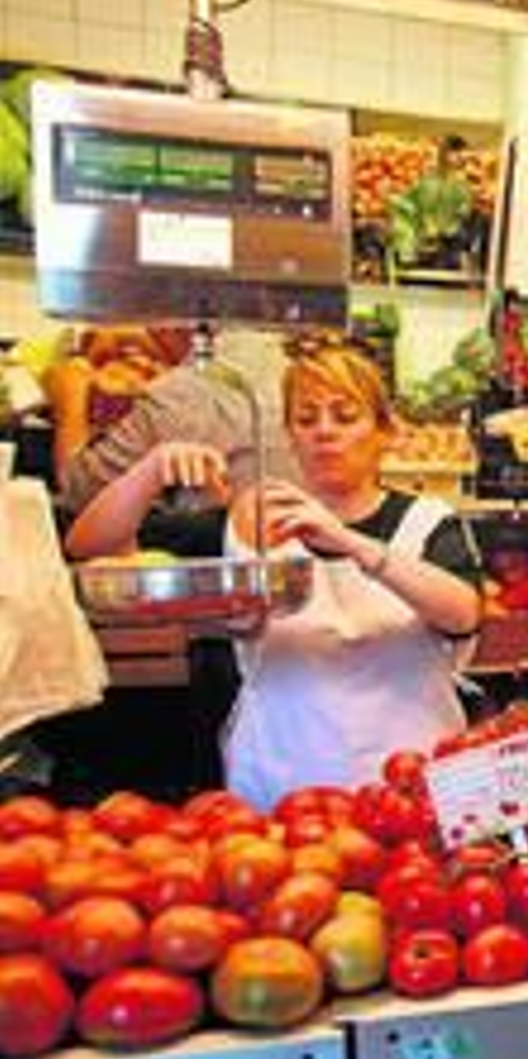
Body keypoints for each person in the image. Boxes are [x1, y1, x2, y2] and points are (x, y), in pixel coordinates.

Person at [64, 339, 482, 812]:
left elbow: (462, 613)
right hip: (278, 792)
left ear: (385, 432)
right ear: (289, 435)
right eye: (306, 419)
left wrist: (348, 542)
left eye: (345, 417)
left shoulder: (430, 522)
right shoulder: (251, 519)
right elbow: (88, 546)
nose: (324, 431)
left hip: (410, 793)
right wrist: (150, 471)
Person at [49, 323, 294, 515]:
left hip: (232, 551)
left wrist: (69, 398)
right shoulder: (279, 345)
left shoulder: (183, 391)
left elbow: (79, 493)